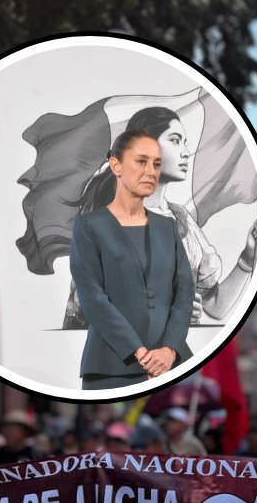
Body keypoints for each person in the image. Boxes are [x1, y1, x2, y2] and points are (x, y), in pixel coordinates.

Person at [65, 106, 257, 328]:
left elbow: (215, 306)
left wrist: (249, 255)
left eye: (184, 142)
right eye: (175, 140)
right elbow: (91, 310)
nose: (186, 151)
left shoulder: (182, 220)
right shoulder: (106, 223)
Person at [69, 128, 194, 390]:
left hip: (172, 366)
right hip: (112, 365)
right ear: (116, 164)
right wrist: (140, 353)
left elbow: (184, 293)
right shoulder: (89, 226)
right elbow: (92, 297)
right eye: (141, 161)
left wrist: (169, 350)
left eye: (157, 164)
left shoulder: (168, 227)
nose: (151, 171)